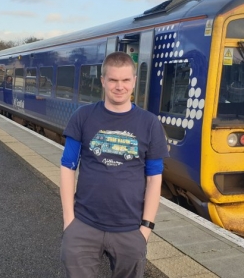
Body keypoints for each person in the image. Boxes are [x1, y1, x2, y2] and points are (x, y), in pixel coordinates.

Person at [59, 51, 169, 278]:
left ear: (134, 81)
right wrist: (69, 221)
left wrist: (145, 229)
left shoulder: (150, 124)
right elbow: (67, 167)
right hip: (84, 224)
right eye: (113, 80)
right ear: (103, 81)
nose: (120, 86)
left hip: (130, 229)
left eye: (126, 80)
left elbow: (154, 178)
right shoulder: (83, 116)